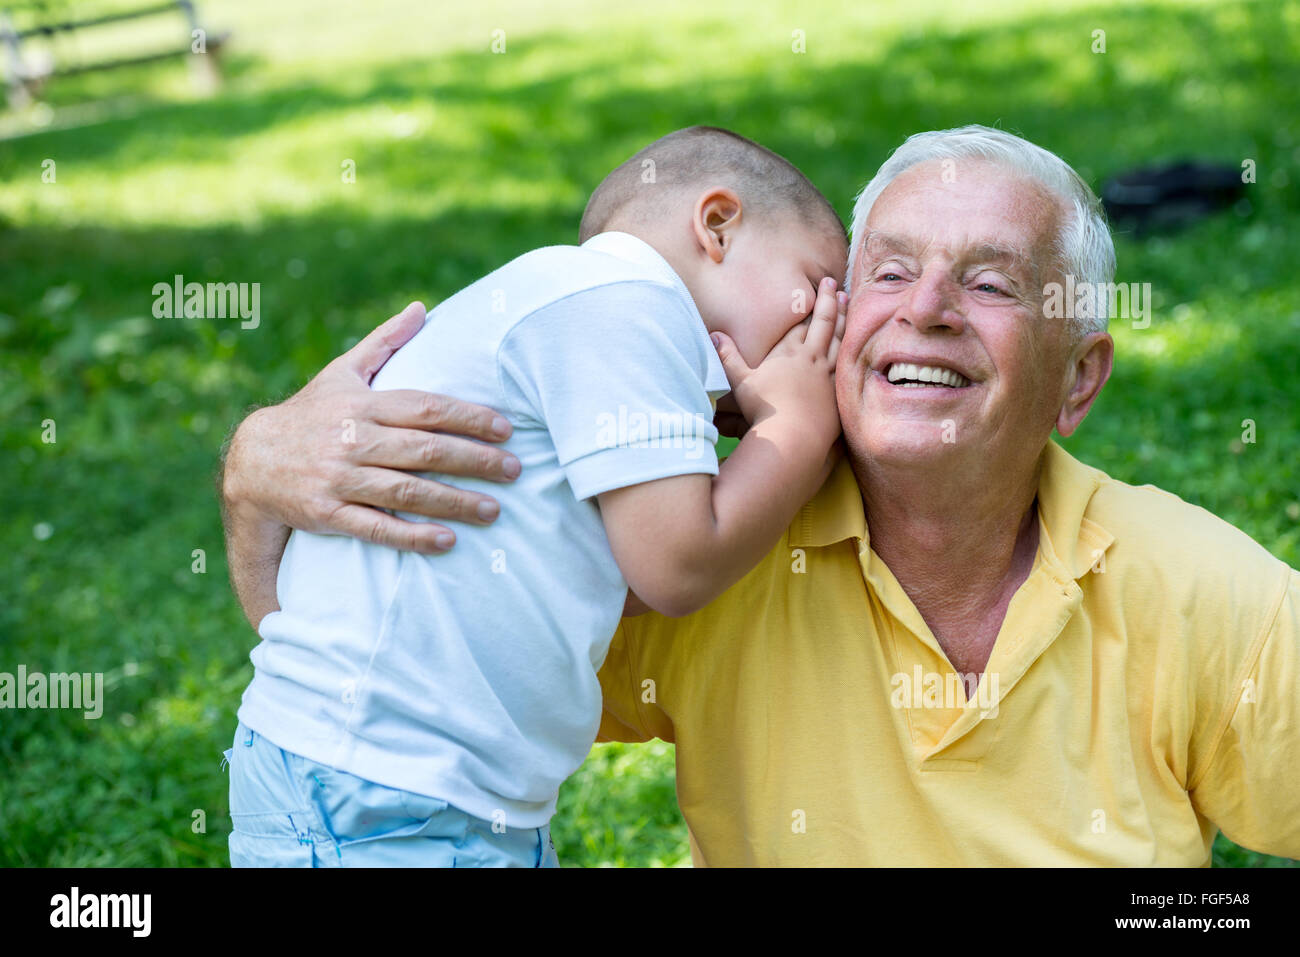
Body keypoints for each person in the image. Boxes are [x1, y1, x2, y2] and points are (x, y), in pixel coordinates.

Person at [222, 126, 1300, 866]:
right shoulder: (705, 531)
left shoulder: (1197, 592)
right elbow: (391, 675)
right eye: (883, 273)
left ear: (1077, 378)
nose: (923, 309)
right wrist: (257, 472)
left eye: (989, 281)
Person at [221, 125, 849, 867]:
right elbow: (677, 567)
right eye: (814, 289)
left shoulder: (582, 312)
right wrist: (798, 431)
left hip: (418, 785)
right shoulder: (627, 301)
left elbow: (624, 583)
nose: (821, 334)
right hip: (379, 789)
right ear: (717, 226)